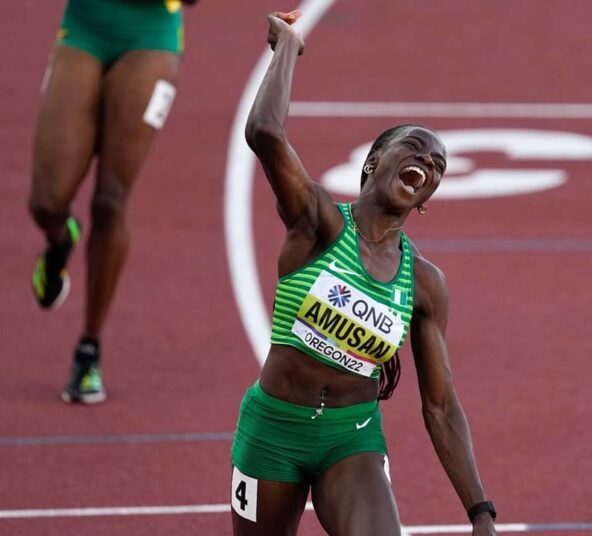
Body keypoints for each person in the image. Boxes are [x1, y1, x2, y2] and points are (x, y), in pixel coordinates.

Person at [229, 11, 497, 536]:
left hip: (350, 439)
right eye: (414, 148)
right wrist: (287, 45)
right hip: (272, 430)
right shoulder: (320, 223)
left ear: (427, 197)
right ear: (374, 161)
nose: (429, 162)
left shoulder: (423, 284)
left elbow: (440, 407)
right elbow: (264, 131)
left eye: (438, 165)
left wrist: (480, 513)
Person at [28, 0, 198, 404]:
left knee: (110, 200)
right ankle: (59, 241)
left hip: (151, 34)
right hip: (86, 24)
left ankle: (89, 350)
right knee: (47, 201)